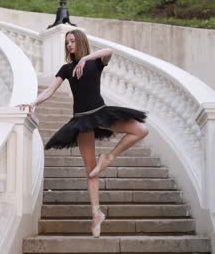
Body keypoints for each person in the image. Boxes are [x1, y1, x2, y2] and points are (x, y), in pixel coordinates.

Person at [17, 29, 149, 238]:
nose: (69, 45)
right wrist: (33, 102)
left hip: (100, 112)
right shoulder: (66, 69)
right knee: (91, 171)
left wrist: (86, 58)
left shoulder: (95, 63)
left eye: (72, 41)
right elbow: (50, 90)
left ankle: (109, 157)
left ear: (80, 42)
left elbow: (109, 51)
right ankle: (96, 214)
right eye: (67, 42)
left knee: (141, 130)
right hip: (81, 119)